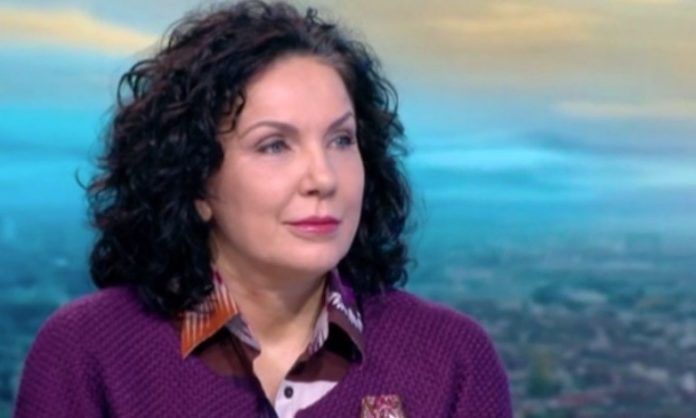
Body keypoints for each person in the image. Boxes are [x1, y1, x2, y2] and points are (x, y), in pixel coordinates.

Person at [13, 1, 512, 417]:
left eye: (341, 139)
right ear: (195, 182)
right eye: (274, 145)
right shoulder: (88, 352)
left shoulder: (451, 358)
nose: (323, 178)